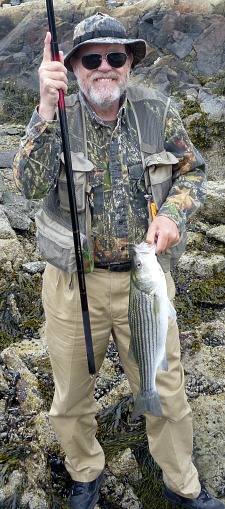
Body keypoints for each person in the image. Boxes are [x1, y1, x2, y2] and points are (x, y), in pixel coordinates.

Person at [13, 12, 224, 509]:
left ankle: (182, 486)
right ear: (73, 67)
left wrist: (174, 214)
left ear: (129, 62)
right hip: (73, 286)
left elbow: (194, 171)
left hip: (146, 282)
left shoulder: (159, 112)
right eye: (92, 58)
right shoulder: (58, 116)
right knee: (70, 396)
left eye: (115, 56)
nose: (104, 67)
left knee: (167, 390)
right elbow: (25, 186)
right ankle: (84, 470)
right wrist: (44, 109)